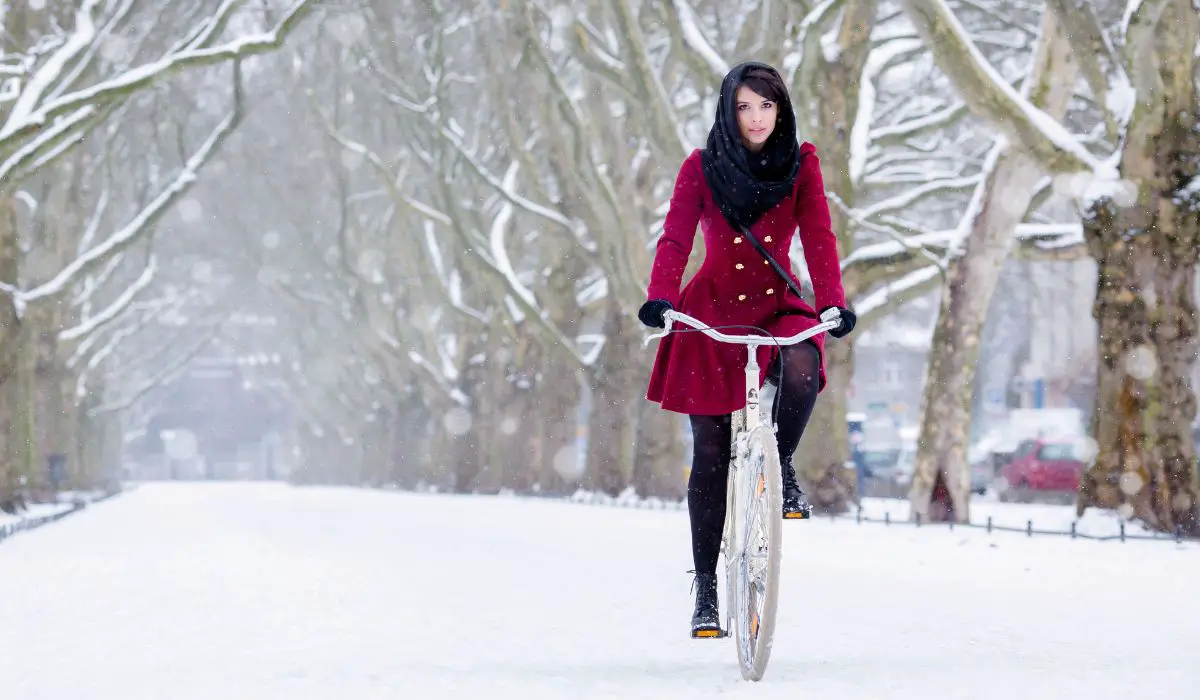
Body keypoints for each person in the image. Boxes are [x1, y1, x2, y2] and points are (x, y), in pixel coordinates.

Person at [636, 61, 856, 638]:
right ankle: (707, 588)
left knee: (805, 362)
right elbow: (677, 237)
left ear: (780, 110)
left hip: (776, 298)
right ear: (727, 111)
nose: (756, 118)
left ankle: (780, 462)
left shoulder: (801, 164)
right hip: (709, 308)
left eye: (766, 106)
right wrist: (660, 297)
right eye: (744, 106)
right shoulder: (701, 166)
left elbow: (819, 235)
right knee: (709, 451)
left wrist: (832, 301)